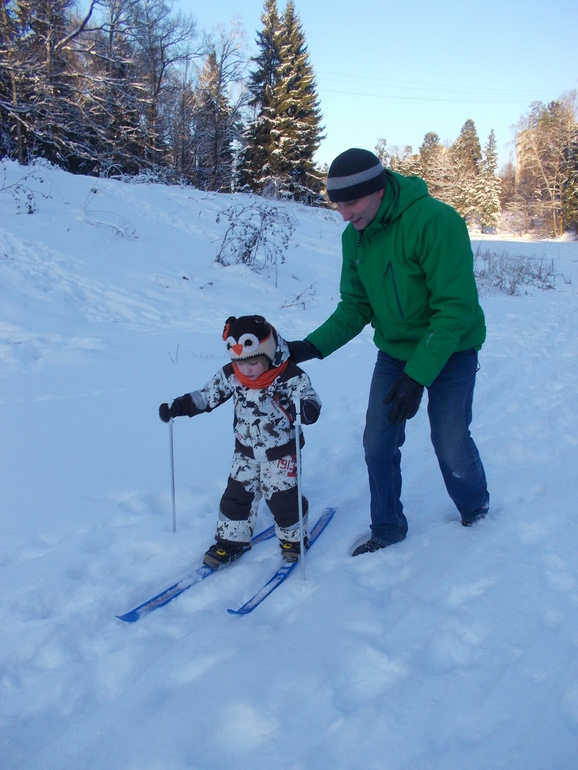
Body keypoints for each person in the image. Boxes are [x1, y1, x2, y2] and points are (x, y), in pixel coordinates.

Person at [288, 148, 489, 555]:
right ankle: (388, 528)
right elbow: (356, 305)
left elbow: (454, 311)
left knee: (449, 440)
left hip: (451, 350)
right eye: (338, 205)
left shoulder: (436, 222)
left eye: (352, 202)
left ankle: (476, 510)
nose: (345, 214)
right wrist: (310, 346)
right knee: (377, 443)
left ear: (379, 190)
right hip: (396, 352)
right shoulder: (356, 237)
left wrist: (417, 378)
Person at [159, 315, 321, 568]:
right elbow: (206, 396)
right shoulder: (231, 375)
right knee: (237, 496)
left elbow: (307, 395)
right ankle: (229, 541)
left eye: (253, 362)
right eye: (239, 363)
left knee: (282, 498)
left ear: (268, 355)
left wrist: (308, 408)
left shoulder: (289, 376)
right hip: (245, 451)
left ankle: (293, 539)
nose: (246, 369)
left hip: (281, 452)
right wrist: (178, 406)